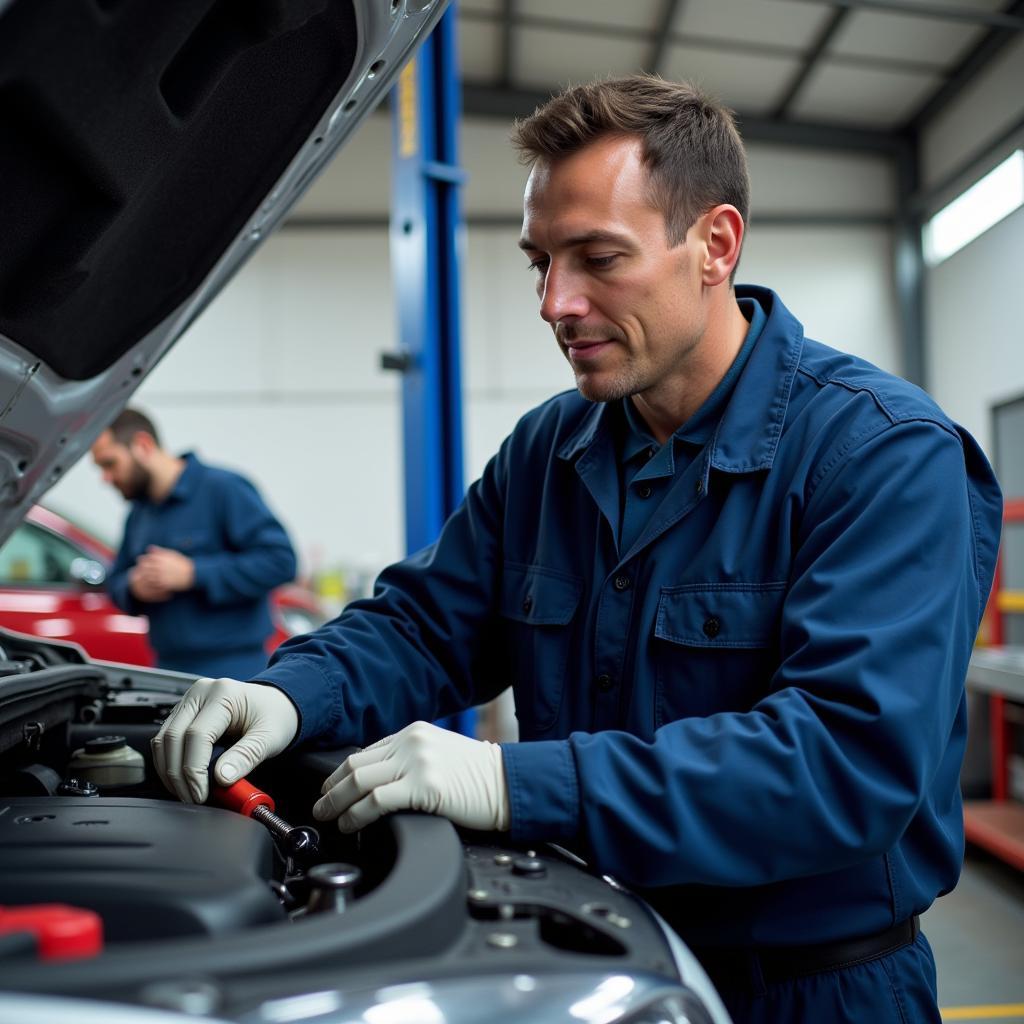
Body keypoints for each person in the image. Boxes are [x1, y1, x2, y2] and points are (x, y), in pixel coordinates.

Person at [151, 76, 1002, 1023]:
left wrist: (515, 783)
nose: (557, 303)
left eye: (599, 258)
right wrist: (287, 692)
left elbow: (846, 763)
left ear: (714, 245)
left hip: (809, 991)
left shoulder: (881, 455)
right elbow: (428, 628)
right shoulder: (551, 452)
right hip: (597, 955)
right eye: (541, 262)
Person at [92, 408, 297, 679]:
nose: (105, 478)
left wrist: (193, 574)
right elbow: (116, 581)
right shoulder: (140, 514)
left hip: (235, 672)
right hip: (167, 671)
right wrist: (134, 587)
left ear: (142, 445)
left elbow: (281, 561)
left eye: (110, 464)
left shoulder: (224, 489)